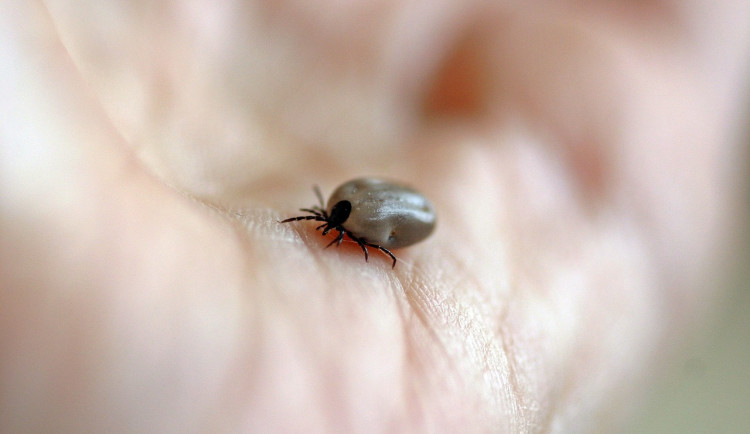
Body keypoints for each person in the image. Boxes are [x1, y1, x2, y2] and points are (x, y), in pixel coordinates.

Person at [1, 1, 748, 431]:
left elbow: (378, 222)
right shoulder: (352, 216)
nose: (329, 234)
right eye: (333, 228)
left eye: (333, 229)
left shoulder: (354, 215)